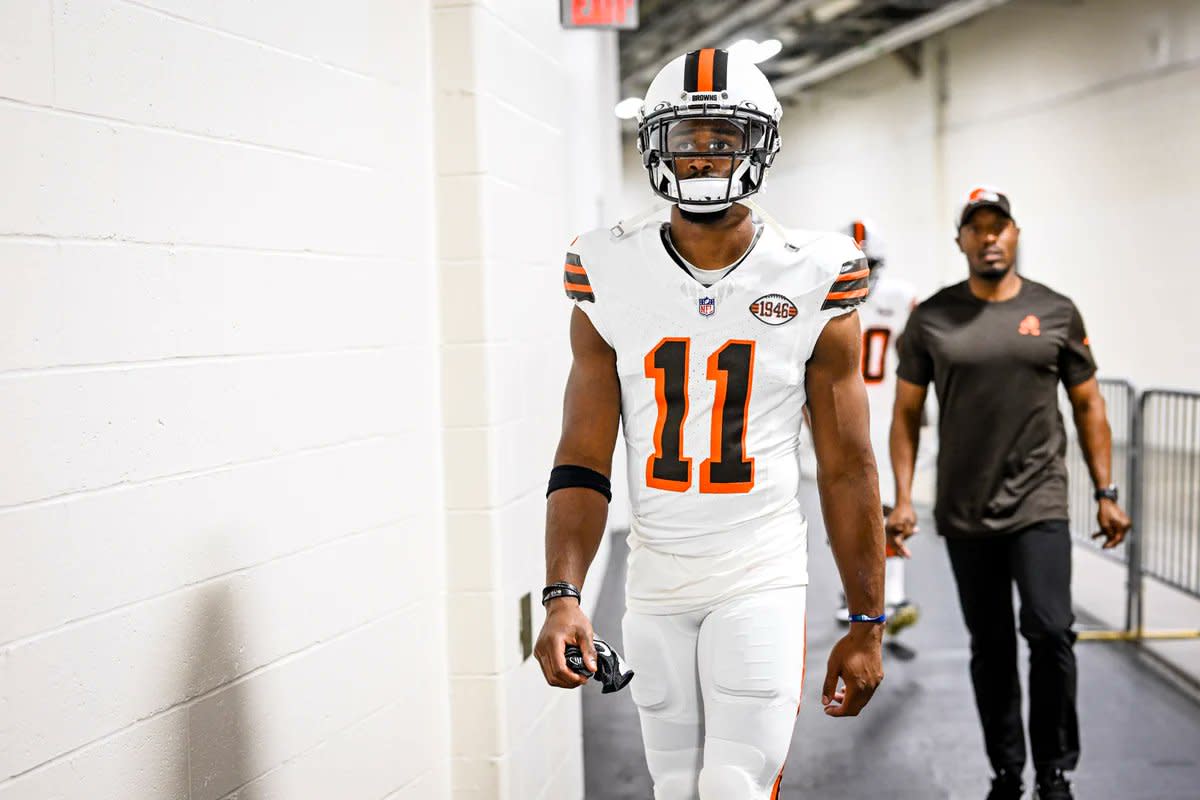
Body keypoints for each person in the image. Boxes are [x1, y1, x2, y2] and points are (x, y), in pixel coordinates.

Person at [533, 48, 886, 799]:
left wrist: (867, 617)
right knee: (672, 787)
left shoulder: (815, 268)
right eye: (687, 135)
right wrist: (562, 594)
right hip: (657, 576)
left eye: (722, 135)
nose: (702, 153)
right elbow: (582, 458)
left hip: (760, 568)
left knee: (734, 786)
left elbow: (850, 463)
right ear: (654, 143)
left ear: (758, 144)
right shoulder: (606, 267)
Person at [887, 186, 1132, 800]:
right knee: (990, 647)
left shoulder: (1056, 311)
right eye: (977, 228)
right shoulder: (932, 319)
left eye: (1000, 226)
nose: (990, 237)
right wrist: (900, 498)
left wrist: (1106, 489)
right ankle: (1007, 770)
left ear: (1015, 234)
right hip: (965, 510)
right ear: (961, 240)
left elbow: (1088, 403)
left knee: (1051, 631)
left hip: (1039, 501)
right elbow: (905, 413)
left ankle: (1054, 769)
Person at [829, 219, 922, 634]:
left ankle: (894, 592)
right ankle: (854, 593)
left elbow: (915, 354)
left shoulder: (899, 299)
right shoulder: (825, 297)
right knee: (845, 510)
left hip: (883, 416)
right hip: (842, 417)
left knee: (886, 511)